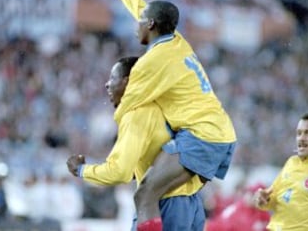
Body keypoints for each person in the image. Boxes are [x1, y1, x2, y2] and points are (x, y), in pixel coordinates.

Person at [114, 0, 237, 230]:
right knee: (169, 193)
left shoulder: (151, 63)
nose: (135, 24)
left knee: (146, 194)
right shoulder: (176, 40)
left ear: (150, 24)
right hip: (217, 132)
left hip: (202, 136)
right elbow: (138, 5)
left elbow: (126, 107)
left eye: (140, 20)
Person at [67, 57, 205, 231]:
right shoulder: (165, 107)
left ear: (126, 82)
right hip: (191, 203)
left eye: (113, 78)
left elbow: (119, 172)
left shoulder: (136, 115)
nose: (107, 85)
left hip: (163, 204)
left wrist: (80, 170)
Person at [205, 183, 270, 231]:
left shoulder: (263, 213)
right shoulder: (236, 208)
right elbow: (219, 224)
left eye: (255, 194)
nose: (253, 197)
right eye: (251, 193)